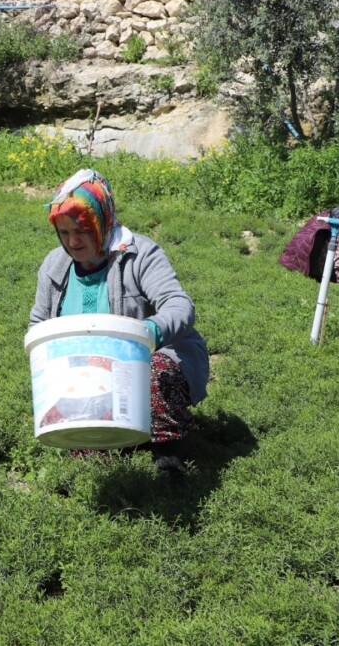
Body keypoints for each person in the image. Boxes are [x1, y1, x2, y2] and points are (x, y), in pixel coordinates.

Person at [29, 169, 209, 472]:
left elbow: (180, 305)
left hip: (141, 362)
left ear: (102, 221)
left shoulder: (140, 255)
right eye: (63, 232)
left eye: (82, 230)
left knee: (157, 370)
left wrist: (148, 333)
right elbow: (39, 324)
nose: (73, 242)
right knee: (89, 456)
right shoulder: (54, 266)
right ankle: (112, 440)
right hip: (88, 371)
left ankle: (168, 456)